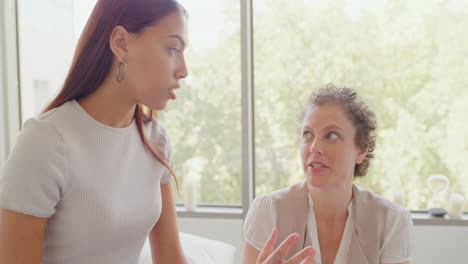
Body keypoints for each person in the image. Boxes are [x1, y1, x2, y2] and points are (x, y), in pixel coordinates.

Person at [0, 0, 314, 263]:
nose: (184, 69)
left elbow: (171, 260)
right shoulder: (46, 143)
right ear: (121, 43)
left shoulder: (155, 140)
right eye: (172, 49)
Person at [243, 84, 414, 264]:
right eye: (307, 134)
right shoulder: (268, 211)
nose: (314, 147)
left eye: (331, 136)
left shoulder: (391, 221)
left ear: (361, 150)